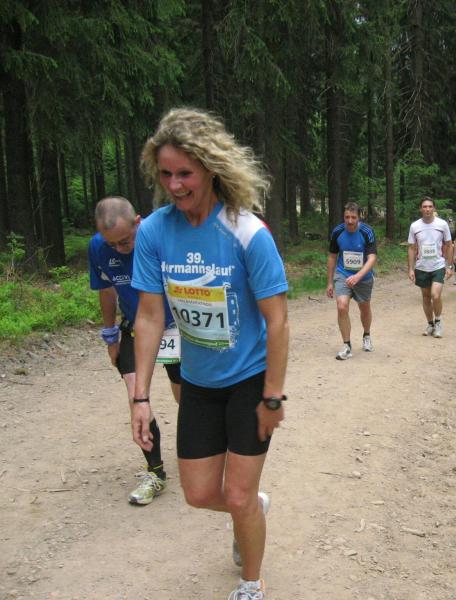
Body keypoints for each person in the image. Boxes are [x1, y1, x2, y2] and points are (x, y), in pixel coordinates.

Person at [132, 107, 289, 600]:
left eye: (185, 173)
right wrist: (140, 397)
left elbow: (278, 320)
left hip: (249, 381)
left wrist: (273, 396)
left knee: (237, 495)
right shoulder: (155, 232)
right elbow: (150, 317)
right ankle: (253, 508)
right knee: (200, 494)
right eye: (165, 174)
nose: (174, 185)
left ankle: (251, 583)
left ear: (210, 169)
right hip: (198, 382)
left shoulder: (246, 232)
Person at [89, 196, 181, 506]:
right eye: (111, 243)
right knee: (136, 396)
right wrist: (110, 335)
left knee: (185, 396)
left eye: (125, 240)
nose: (119, 248)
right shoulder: (98, 248)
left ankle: (204, 451)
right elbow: (106, 291)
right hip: (133, 327)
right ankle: (155, 473)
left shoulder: (160, 239)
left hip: (175, 328)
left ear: (138, 222)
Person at [326, 202, 377, 360]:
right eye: (347, 217)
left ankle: (366, 335)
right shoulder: (337, 231)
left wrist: (358, 276)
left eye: (353, 217)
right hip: (343, 274)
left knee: (364, 308)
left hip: (363, 277)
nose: (349, 221)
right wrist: (329, 282)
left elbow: (372, 258)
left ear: (359, 217)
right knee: (342, 306)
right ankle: (347, 345)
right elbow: (332, 256)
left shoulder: (367, 232)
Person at [407, 196, 453, 337]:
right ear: (421, 209)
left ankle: (438, 322)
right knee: (426, 297)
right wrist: (411, 268)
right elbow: (411, 248)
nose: (427, 209)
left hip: (438, 265)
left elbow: (449, 245)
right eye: (425, 207)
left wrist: (449, 266)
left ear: (434, 208)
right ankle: (430, 324)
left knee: (435, 295)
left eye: (430, 206)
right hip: (422, 267)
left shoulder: (442, 224)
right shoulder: (415, 226)